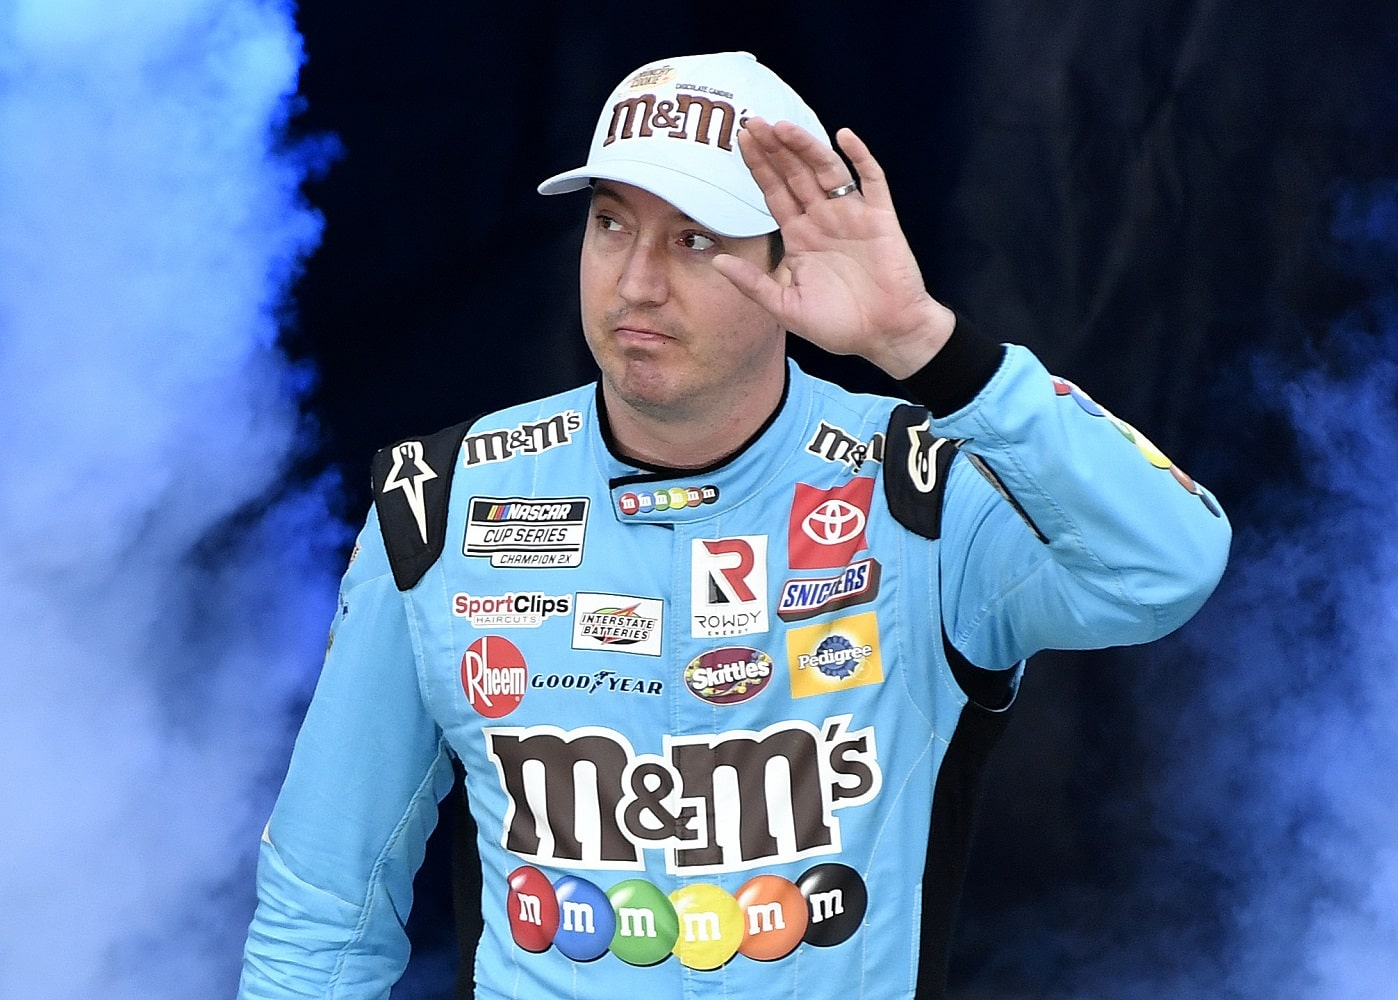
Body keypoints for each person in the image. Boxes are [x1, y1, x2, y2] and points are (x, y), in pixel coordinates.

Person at [238, 50, 1230, 1000]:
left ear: (789, 262)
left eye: (694, 238)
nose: (636, 282)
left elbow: (1167, 562)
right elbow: (324, 899)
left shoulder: (916, 490)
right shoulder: (444, 501)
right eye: (613, 225)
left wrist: (921, 344)